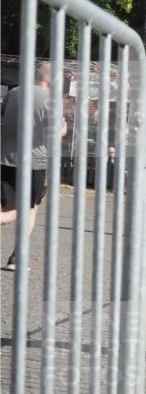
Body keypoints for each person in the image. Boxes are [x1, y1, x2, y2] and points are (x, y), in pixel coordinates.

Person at [1, 62, 67, 271]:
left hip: (5, 158)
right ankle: (16, 258)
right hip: (34, 162)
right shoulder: (52, 101)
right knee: (29, 208)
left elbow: (1, 118)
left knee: (8, 204)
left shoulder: (14, 93)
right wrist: (63, 129)